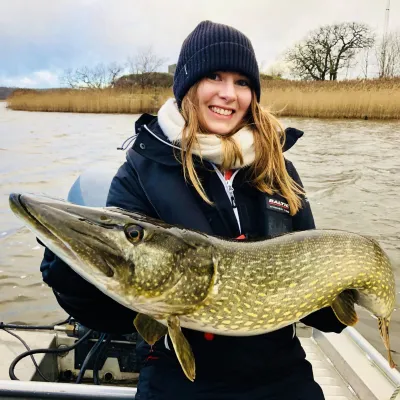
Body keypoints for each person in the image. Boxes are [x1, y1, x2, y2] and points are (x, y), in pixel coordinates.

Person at [39, 20, 346, 400]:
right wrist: (71, 271)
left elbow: (317, 302)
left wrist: (340, 301)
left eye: (242, 82)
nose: (228, 94)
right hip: (179, 379)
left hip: (281, 375)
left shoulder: (278, 168)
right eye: (214, 76)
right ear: (188, 86)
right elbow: (114, 315)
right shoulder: (142, 170)